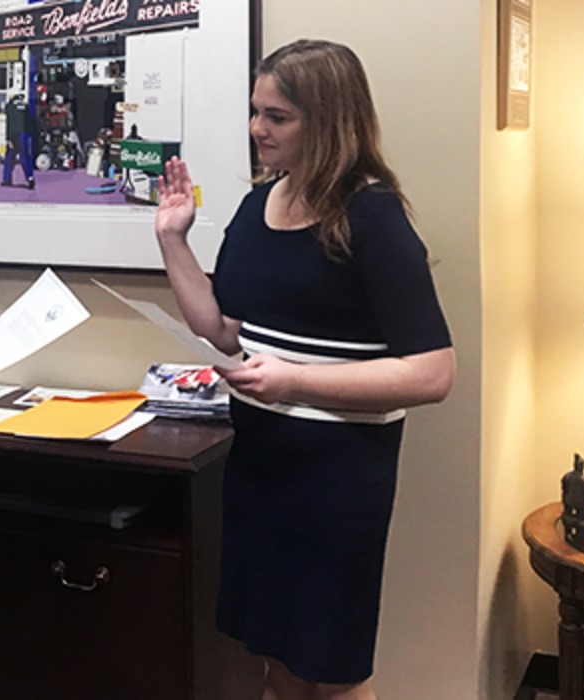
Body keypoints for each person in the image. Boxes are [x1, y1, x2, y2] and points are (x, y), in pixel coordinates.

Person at [153, 40, 456, 700]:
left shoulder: (374, 219)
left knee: (335, 670)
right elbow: (222, 329)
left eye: (277, 116)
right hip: (260, 467)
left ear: (328, 120)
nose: (258, 129)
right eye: (256, 112)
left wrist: (294, 379)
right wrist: (173, 239)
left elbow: (433, 373)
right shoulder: (257, 206)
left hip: (338, 478)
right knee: (276, 660)